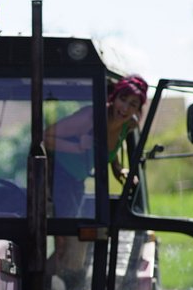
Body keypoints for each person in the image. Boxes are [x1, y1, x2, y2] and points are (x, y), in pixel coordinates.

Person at [45, 74, 148, 216]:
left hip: (77, 181)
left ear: (138, 109)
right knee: (66, 234)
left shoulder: (129, 125)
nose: (125, 108)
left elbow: (110, 149)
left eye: (133, 104)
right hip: (57, 177)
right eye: (122, 99)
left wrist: (118, 169)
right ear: (114, 97)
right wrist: (77, 148)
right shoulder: (90, 117)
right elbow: (45, 137)